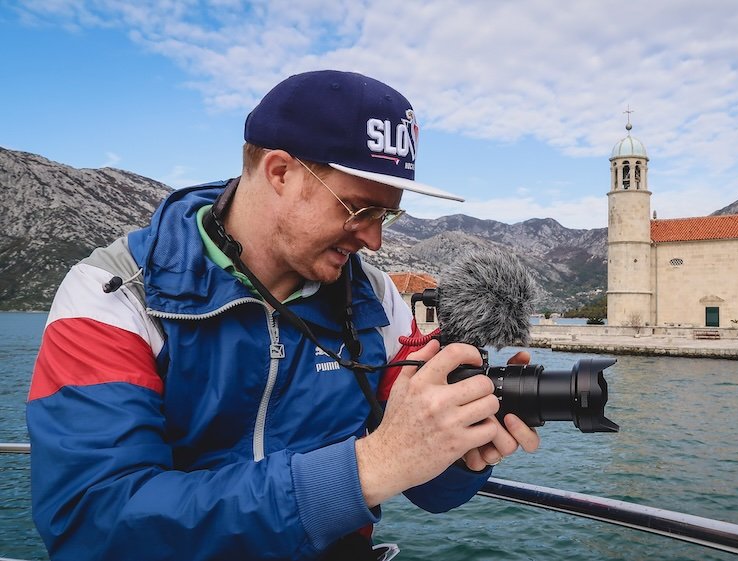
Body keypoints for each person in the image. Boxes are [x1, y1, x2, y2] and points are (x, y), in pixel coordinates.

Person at [27, 70, 540, 561]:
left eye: (387, 215)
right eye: (359, 208)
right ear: (280, 172)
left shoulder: (377, 298)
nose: (375, 240)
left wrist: (463, 444)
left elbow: (430, 491)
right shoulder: (115, 295)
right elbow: (94, 525)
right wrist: (369, 467)